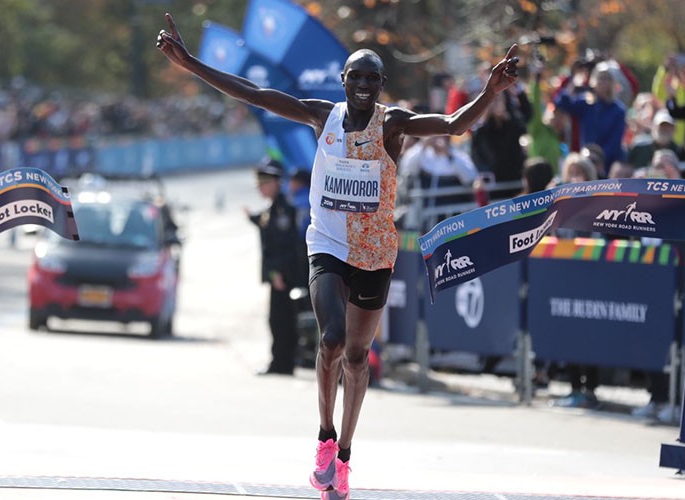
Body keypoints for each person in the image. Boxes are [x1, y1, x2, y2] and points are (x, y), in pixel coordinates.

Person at [156, 15, 519, 500]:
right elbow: (254, 94)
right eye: (356, 77)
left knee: (356, 356)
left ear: (381, 84)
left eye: (372, 78)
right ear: (342, 81)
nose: (364, 85)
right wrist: (190, 64)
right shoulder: (321, 115)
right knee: (331, 339)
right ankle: (325, 437)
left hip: (375, 252)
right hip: (327, 243)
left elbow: (454, 125)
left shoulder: (394, 123)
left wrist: (491, 91)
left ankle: (345, 455)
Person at [247, 159, 302, 376]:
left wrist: (277, 272)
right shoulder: (273, 209)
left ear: (276, 183)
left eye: (264, 183)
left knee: (282, 320)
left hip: (284, 276)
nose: (260, 188)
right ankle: (279, 361)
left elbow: (283, 245)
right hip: (278, 274)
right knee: (276, 319)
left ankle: (283, 363)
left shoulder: (283, 210)